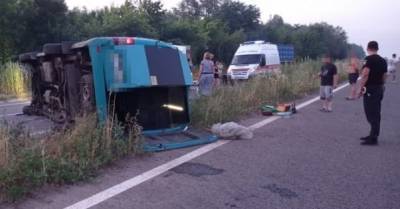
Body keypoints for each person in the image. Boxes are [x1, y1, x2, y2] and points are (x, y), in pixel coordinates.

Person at [358, 41, 387, 145]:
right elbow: (384, 75)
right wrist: (382, 85)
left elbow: (365, 74)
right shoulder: (383, 60)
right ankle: (372, 134)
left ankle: (373, 137)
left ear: (368, 48)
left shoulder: (368, 59)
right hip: (379, 87)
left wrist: (360, 88)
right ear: (377, 48)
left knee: (370, 112)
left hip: (370, 88)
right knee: (376, 111)